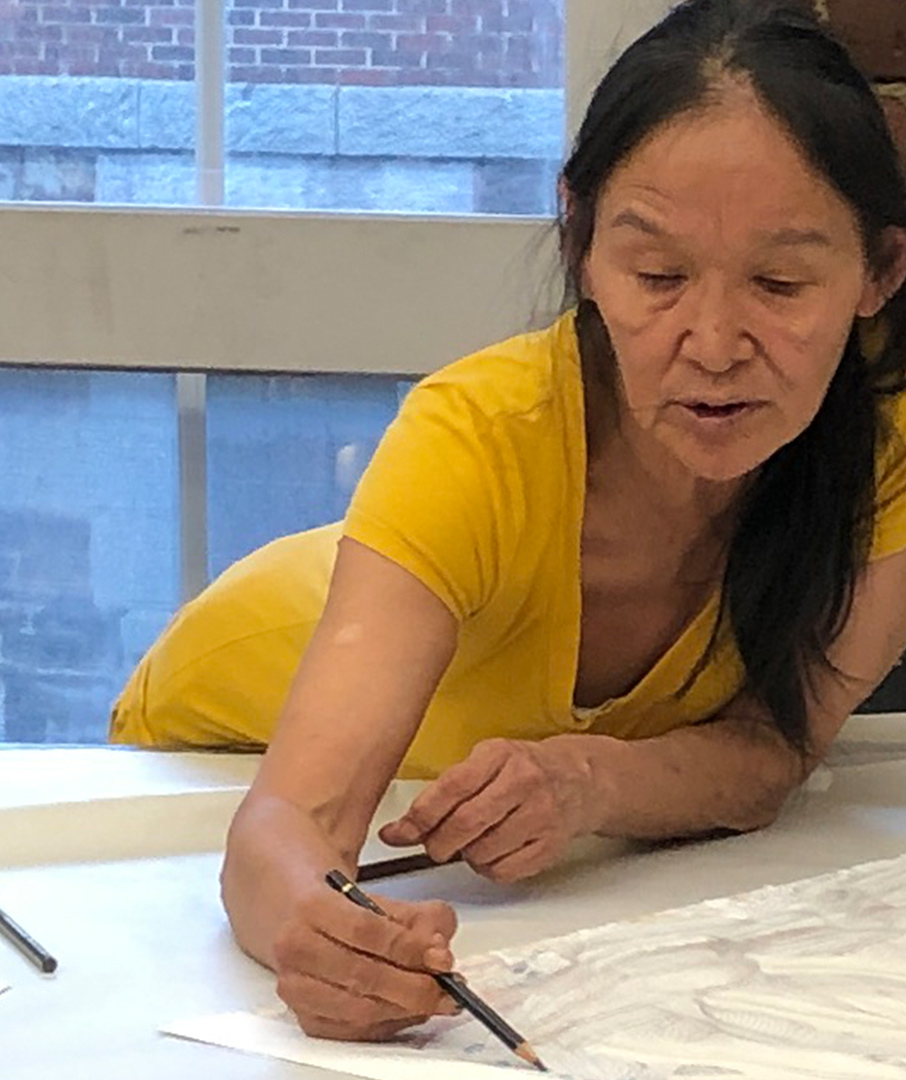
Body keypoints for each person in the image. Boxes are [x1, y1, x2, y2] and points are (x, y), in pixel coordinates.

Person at [111, 0, 906, 1044]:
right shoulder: (479, 434)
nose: (713, 343)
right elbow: (288, 821)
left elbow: (772, 751)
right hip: (198, 756)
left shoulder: (882, 466)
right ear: (579, 241)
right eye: (658, 276)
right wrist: (321, 936)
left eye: (780, 281)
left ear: (880, 273)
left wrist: (585, 781)